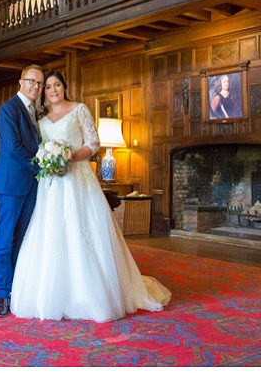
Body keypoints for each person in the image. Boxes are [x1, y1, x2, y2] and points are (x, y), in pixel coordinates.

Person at [11, 70, 171, 322]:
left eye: (57, 85)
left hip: (78, 180)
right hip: (52, 185)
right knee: (52, 233)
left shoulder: (79, 109)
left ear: (64, 87)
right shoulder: (40, 118)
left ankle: (91, 294)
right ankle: (54, 293)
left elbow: (93, 143)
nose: (52, 90)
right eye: (48, 86)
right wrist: (50, 159)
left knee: (81, 230)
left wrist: (70, 156)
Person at [0, 64, 44, 318]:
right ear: (20, 82)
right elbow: (12, 147)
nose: (35, 86)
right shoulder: (8, 109)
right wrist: (41, 166)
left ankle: (17, 289)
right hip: (12, 184)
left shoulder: (37, 112)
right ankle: (2, 294)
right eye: (31, 81)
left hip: (32, 186)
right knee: (4, 240)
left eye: (39, 84)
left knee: (22, 240)